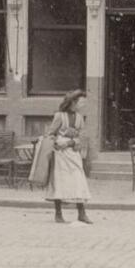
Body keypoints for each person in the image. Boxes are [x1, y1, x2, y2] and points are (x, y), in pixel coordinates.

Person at [31, 89, 93, 224]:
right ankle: (58, 214)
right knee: (59, 182)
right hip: (60, 155)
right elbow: (50, 134)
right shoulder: (59, 116)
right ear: (73, 102)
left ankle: (81, 213)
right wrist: (58, 142)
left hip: (73, 152)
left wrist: (70, 142)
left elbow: (82, 137)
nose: (83, 105)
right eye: (82, 102)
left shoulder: (80, 118)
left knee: (79, 180)